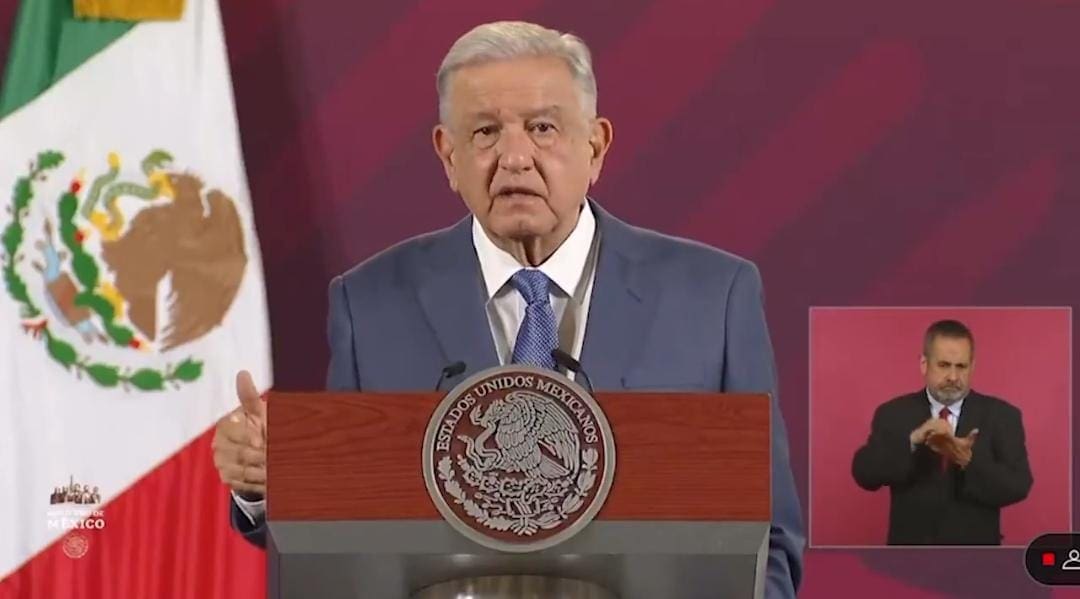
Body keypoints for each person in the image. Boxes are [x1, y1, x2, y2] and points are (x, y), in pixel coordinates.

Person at [211, 21, 804, 596]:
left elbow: (769, 543)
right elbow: (342, 530)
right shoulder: (370, 304)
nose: (515, 157)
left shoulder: (713, 297)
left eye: (543, 128)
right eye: (485, 132)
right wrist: (268, 482)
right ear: (448, 156)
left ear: (595, 147)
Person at [851, 319, 1033, 545]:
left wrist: (968, 460)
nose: (953, 377)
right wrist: (912, 441)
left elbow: (1019, 486)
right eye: (944, 365)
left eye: (961, 366)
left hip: (975, 554)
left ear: (972, 367)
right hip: (910, 553)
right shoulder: (893, 413)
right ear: (924, 365)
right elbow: (865, 474)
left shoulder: (1002, 415)